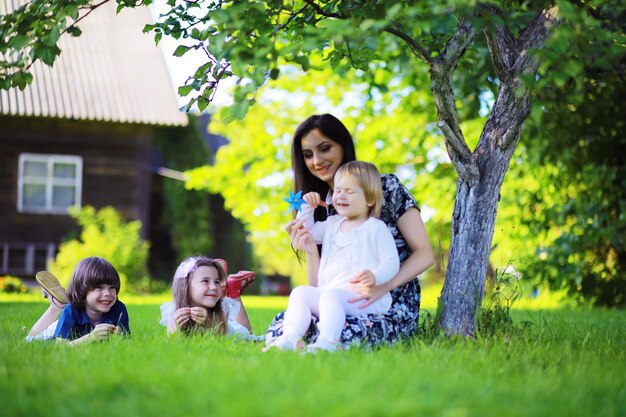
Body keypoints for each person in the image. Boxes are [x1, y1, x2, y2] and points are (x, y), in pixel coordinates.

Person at [266, 114, 435, 349]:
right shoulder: (323, 206)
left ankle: (324, 342)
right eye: (307, 155)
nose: (316, 161)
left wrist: (382, 286)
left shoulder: (383, 186)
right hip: (338, 296)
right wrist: (309, 250)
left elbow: (425, 254)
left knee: (345, 331)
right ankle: (294, 342)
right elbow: (320, 283)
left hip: (388, 295)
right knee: (287, 322)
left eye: (325, 149)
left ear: (343, 146)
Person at [268, 161, 399, 352]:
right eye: (337, 190)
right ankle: (290, 339)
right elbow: (307, 231)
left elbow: (392, 261)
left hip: (364, 297)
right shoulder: (332, 224)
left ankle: (328, 342)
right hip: (331, 293)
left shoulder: (375, 228)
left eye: (349, 191)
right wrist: (307, 207)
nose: (340, 196)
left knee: (331, 296)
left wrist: (375, 277)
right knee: (300, 293)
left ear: (369, 199)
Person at [27, 256, 130, 345]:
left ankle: (58, 304)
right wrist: (90, 337)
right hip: (62, 327)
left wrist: (120, 336)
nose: (108, 293)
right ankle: (56, 306)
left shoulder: (119, 309)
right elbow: (60, 346)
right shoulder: (71, 311)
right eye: (99, 287)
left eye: (112, 287)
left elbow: (126, 341)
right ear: (82, 289)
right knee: (30, 340)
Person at [160, 256, 261, 340]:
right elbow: (172, 340)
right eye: (205, 281)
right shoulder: (173, 312)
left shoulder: (222, 309)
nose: (214, 287)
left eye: (217, 282)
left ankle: (234, 292)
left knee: (250, 336)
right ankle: (231, 285)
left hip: (236, 333)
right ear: (186, 286)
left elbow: (221, 336)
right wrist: (177, 327)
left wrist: (208, 322)